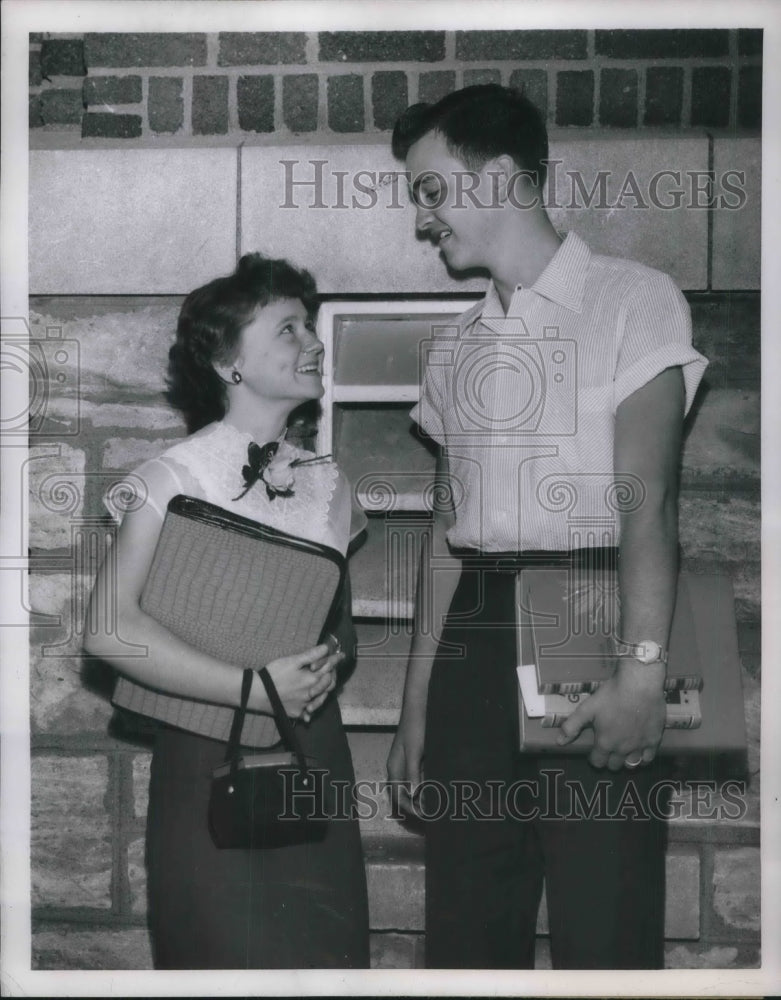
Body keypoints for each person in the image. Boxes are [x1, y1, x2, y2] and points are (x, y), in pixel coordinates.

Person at [386, 85, 708, 969]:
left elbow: (649, 503)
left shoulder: (633, 300)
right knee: (465, 929)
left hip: (593, 610)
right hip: (476, 631)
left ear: (495, 179)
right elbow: (446, 536)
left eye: (430, 191)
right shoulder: (453, 347)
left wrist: (643, 675)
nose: (423, 221)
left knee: (604, 927)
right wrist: (418, 709)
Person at [84, 253, 369, 970]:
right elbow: (108, 630)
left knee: (322, 964)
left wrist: (327, 660)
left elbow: (340, 631)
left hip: (313, 755)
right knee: (215, 961)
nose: (313, 342)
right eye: (287, 329)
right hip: (207, 758)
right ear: (227, 361)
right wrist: (255, 685)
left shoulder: (333, 488)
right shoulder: (169, 478)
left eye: (311, 326)